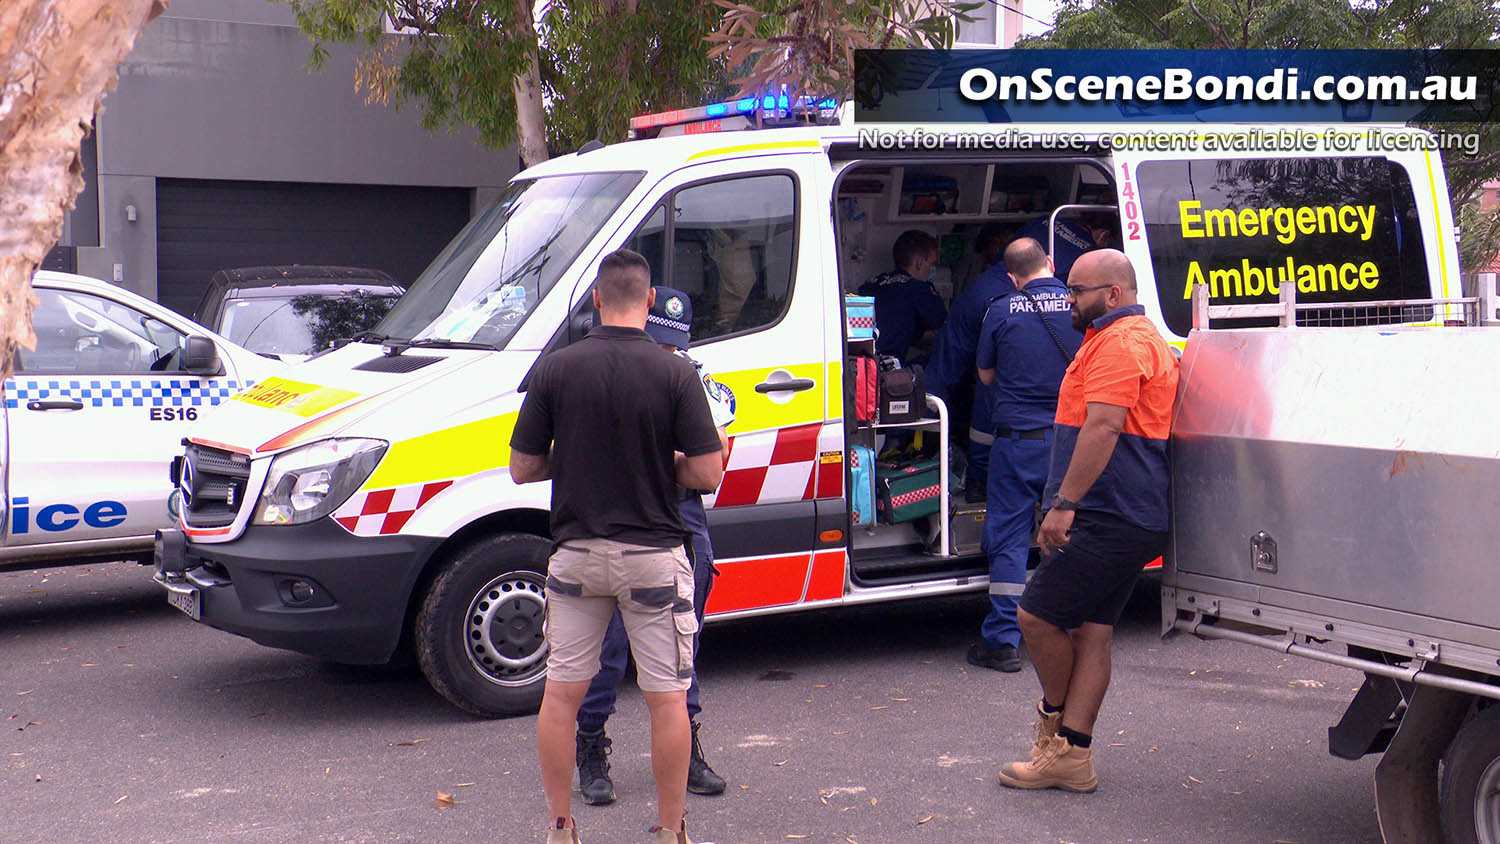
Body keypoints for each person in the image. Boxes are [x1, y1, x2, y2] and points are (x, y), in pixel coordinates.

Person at [509, 249, 725, 844]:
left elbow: (523, 468)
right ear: (650, 300)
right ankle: (669, 829)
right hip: (653, 557)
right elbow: (708, 473)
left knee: (560, 696)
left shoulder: (557, 369)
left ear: (597, 300)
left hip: (576, 557)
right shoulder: (675, 372)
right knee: (667, 701)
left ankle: (560, 826)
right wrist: (661, 464)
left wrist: (576, 461)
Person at [996, 249, 1179, 794]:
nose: (1067, 299)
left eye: (1076, 291)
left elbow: (1101, 429)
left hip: (1109, 513)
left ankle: (1056, 729)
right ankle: (1072, 754)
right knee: (1092, 632)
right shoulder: (1120, 339)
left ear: (1113, 295)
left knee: (1034, 616)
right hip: (1128, 513)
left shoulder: (1121, 344)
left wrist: (1064, 504)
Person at [575, 286, 732, 806]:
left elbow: (716, 451)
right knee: (610, 640)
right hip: (618, 512)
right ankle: (591, 742)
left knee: (682, 637)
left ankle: (685, 748)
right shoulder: (608, 369)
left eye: (673, 343)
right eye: (656, 339)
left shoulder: (694, 376)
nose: (663, 351)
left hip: (680, 509)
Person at [967, 238, 1082, 674]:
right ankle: (1066, 631)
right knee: (1066, 533)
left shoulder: (1000, 309)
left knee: (1010, 538)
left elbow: (985, 374)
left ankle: (1002, 642)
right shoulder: (1078, 305)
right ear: (1050, 263)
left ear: (1012, 276)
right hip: (1069, 442)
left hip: (1017, 444)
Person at [926, 223, 1015, 504]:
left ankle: (975, 479)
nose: (987, 261)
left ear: (1001, 244)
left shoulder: (987, 291)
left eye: (989, 253)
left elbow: (955, 358)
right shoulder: (1058, 294)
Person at [857, 229, 946, 363]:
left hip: (857, 362)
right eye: (932, 264)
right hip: (886, 367)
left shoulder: (872, 283)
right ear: (920, 263)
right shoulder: (918, 288)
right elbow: (944, 325)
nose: (933, 269)